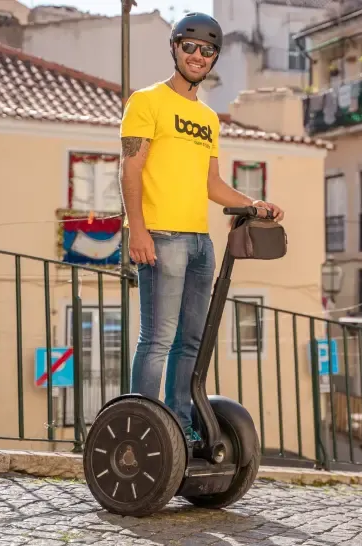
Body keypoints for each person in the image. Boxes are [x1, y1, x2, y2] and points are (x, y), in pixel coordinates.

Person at [118, 12, 284, 443]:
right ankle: (142, 430)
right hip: (161, 237)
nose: (196, 55)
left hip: (199, 243)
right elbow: (130, 169)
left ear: (214, 58)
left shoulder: (208, 118)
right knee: (156, 341)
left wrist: (253, 203)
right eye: (188, 46)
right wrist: (137, 230)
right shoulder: (146, 101)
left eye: (206, 49)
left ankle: (181, 427)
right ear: (174, 48)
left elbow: (212, 184)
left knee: (190, 343)